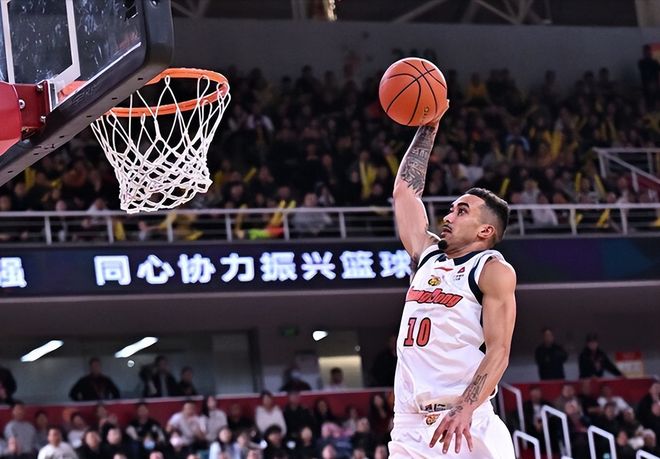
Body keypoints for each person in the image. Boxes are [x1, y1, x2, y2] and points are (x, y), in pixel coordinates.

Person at [388, 118, 517, 457]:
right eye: (451, 210)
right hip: (410, 425)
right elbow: (404, 192)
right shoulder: (428, 256)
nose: (448, 217)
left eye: (462, 211)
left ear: (485, 231)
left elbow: (499, 351)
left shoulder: (491, 269)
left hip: (464, 421)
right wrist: (429, 126)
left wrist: (465, 408)